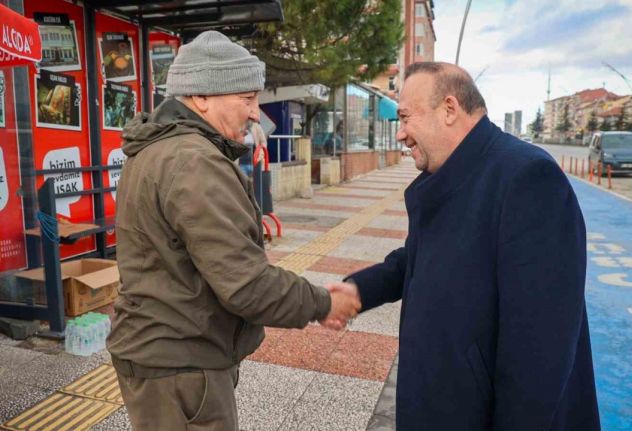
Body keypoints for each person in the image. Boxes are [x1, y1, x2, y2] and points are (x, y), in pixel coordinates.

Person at [107, 31, 360, 431]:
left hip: (160, 352)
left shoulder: (158, 148)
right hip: (181, 364)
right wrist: (323, 303)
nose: (256, 113)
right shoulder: (194, 161)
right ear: (201, 96)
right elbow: (246, 284)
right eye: (246, 99)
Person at [326, 62, 601, 430]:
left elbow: (540, 352)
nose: (401, 134)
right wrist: (361, 290)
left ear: (449, 109)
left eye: (405, 118)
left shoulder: (528, 177)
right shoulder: (454, 172)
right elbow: (424, 256)